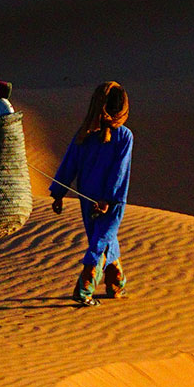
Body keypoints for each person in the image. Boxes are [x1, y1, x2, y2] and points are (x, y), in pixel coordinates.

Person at [51, 81, 133, 305]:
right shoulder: (123, 136)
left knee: (104, 238)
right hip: (110, 201)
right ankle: (84, 290)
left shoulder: (85, 132)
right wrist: (108, 199)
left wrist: (58, 192)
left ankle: (116, 284)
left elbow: (69, 163)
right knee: (100, 241)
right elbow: (120, 171)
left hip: (88, 198)